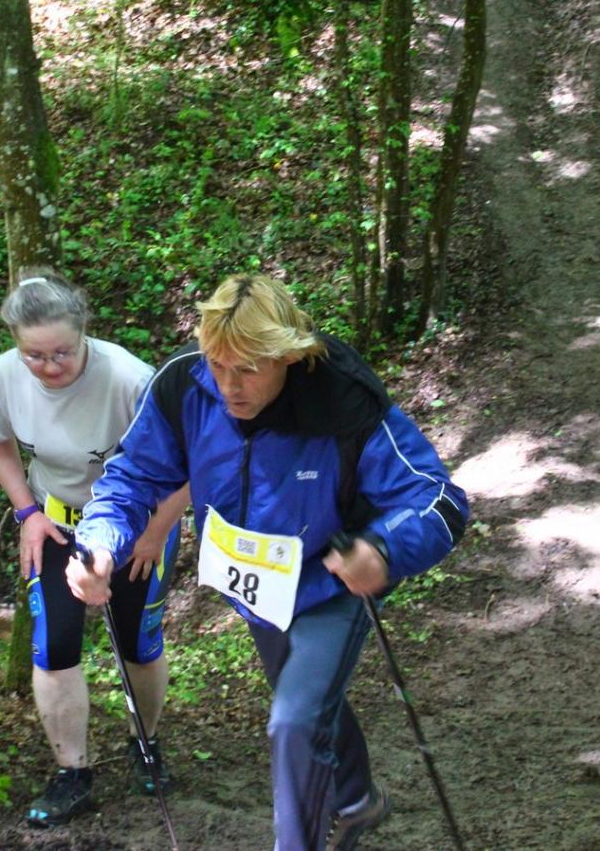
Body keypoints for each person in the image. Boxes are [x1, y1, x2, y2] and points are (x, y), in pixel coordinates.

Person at [67, 273, 469, 850]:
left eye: (249, 368)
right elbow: (133, 477)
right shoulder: (185, 385)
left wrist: (381, 550)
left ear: (288, 356)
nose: (230, 385)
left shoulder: (342, 400)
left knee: (294, 721)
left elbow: (437, 497)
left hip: (331, 582)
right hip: (255, 585)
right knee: (305, 702)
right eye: (219, 364)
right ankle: (356, 800)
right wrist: (101, 541)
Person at [0, 267, 190, 828]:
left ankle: (147, 743)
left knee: (138, 643)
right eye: (34, 356)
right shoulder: (4, 375)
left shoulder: (129, 378)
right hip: (57, 524)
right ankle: (73, 772)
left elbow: (188, 463)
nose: (49, 367)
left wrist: (156, 531)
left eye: (62, 353)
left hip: (139, 526)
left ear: (84, 333)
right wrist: (26, 511)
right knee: (54, 645)